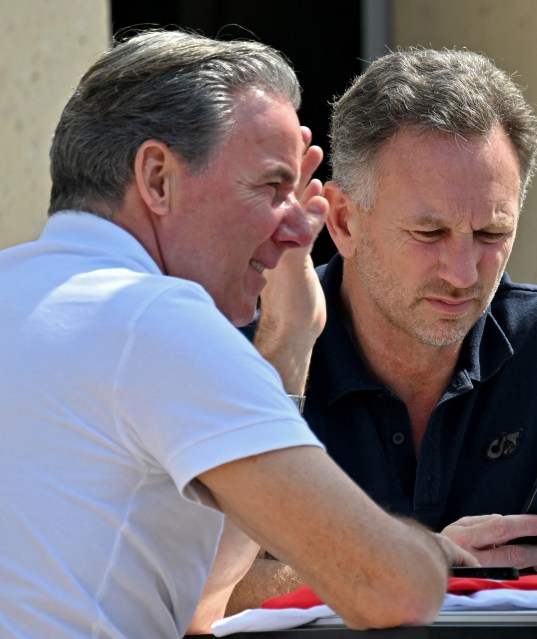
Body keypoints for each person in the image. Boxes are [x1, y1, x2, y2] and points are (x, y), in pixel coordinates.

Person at [0, 29, 474, 639]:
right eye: (271, 188)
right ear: (157, 178)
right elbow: (391, 589)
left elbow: (199, 602)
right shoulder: (155, 318)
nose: (298, 230)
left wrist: (290, 339)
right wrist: (445, 555)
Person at [233, 46, 537, 607]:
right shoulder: (250, 340)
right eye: (429, 234)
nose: (463, 274)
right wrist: (424, 562)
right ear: (343, 222)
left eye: (492, 235)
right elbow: (207, 590)